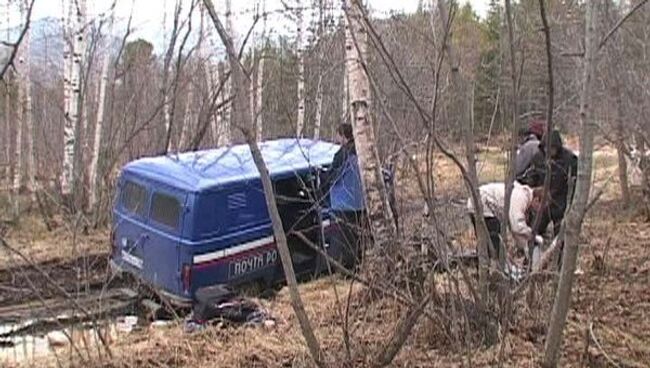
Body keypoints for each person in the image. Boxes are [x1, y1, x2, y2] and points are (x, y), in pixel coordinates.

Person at [522, 129, 578, 239]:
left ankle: (559, 253)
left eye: (552, 148)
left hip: (561, 202)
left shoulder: (569, 160)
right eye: (546, 148)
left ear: (557, 147)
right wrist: (533, 193)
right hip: (543, 202)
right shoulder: (538, 158)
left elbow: (575, 183)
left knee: (561, 237)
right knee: (534, 231)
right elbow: (531, 177)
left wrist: (570, 204)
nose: (549, 151)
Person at [467, 182, 543, 260]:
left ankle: (484, 265)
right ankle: (492, 266)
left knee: (485, 242)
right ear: (536, 200)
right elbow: (516, 225)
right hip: (483, 204)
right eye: (540, 207)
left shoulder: (524, 196)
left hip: (480, 203)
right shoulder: (521, 198)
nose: (539, 211)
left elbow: (514, 229)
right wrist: (532, 235)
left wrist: (524, 246)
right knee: (492, 242)